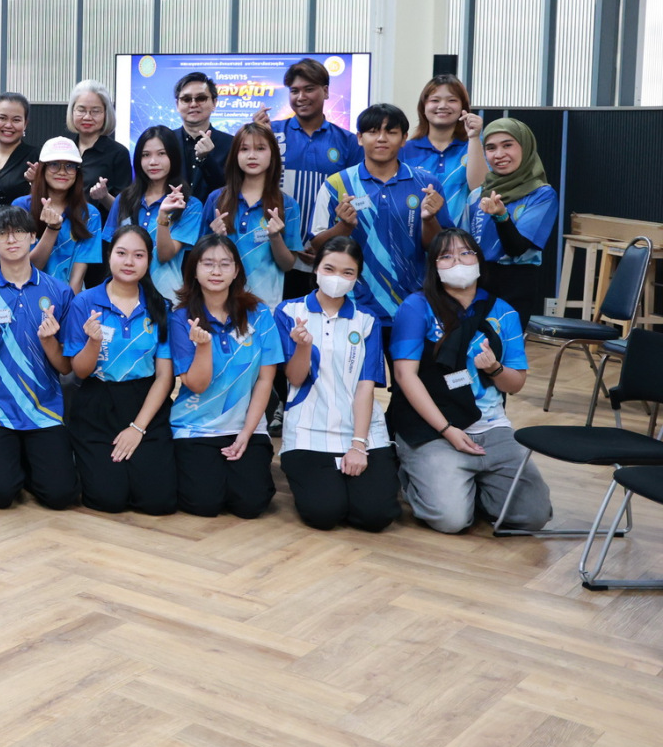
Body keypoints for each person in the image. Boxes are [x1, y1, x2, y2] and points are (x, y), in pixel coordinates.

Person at [389, 228, 551, 534]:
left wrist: (495, 369)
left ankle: (471, 488)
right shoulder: (416, 307)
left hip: (492, 428)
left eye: (465, 253)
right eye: (446, 256)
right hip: (434, 429)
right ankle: (415, 477)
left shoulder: (503, 312)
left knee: (533, 516)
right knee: (450, 520)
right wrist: (447, 430)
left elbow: (515, 384)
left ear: (479, 259)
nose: (458, 261)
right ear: (434, 266)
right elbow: (404, 375)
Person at [274, 237, 400, 532]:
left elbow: (366, 386)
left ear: (357, 277)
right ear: (316, 268)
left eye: (347, 272)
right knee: (324, 513)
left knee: (377, 516)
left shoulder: (367, 319)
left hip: (360, 430)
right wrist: (303, 346)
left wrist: (358, 445)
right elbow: (295, 379)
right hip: (308, 429)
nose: (337, 278)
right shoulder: (288, 312)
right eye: (329, 269)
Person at [0, 206, 78, 510]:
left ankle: (26, 462)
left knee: (61, 495)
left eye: (19, 232)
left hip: (44, 411)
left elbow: (66, 367)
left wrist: (49, 342)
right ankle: (11, 464)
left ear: (33, 236)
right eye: (2, 234)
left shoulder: (60, 292)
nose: (11, 240)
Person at [63, 224, 176, 515]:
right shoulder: (85, 302)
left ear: (148, 260)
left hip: (145, 403)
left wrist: (137, 428)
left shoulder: (160, 306)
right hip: (97, 403)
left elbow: (164, 376)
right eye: (121, 253)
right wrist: (93, 342)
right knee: (107, 499)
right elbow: (80, 372)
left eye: (138, 255)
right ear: (109, 255)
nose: (129, 262)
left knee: (158, 502)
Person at [168, 235, 284, 519]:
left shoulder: (259, 314)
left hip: (245, 426)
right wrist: (203, 347)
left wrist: (246, 433)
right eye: (208, 263)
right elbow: (196, 384)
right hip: (195, 426)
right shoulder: (181, 318)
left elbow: (265, 380)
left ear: (236, 271)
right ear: (194, 270)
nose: (216, 271)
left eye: (224, 264)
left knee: (251, 505)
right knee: (204, 504)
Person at [308, 103, 446, 332]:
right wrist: (344, 227)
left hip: (412, 305)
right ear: (359, 138)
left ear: (404, 139)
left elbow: (438, 249)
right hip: (350, 306)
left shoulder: (427, 185)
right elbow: (316, 246)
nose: (381, 139)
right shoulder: (335, 184)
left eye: (391, 132)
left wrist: (430, 219)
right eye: (373, 132)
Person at [258, 58, 363, 298]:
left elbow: (355, 199)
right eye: (294, 91)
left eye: (309, 89)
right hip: (275, 253)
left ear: (325, 91)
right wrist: (256, 136)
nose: (301, 97)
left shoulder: (347, 141)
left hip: (329, 257)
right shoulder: (271, 133)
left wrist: (325, 243)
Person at [466, 118, 558, 325]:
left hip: (515, 285)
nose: (499, 154)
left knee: (503, 344)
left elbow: (517, 248)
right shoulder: (477, 195)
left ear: (525, 147)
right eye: (491, 148)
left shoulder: (541, 194)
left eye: (507, 145)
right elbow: (464, 242)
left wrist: (502, 216)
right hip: (475, 284)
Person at [204, 123, 301, 307]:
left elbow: (287, 265)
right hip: (219, 304)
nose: (252, 155)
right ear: (235, 155)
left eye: (260, 148)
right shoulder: (216, 199)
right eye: (244, 149)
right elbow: (199, 259)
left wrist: (275, 238)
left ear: (273, 154)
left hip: (265, 305)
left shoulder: (288, 205)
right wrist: (215, 239)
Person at [104, 126, 202, 305]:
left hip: (166, 298)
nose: (153, 162)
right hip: (121, 298)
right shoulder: (124, 199)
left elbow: (165, 255)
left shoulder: (189, 204)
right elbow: (111, 252)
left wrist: (163, 216)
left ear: (173, 156)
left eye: (161, 154)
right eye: (145, 155)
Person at [13, 136, 101, 293]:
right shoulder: (21, 207)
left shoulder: (90, 214)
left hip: (69, 298)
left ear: (77, 172)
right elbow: (26, 269)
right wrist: (52, 229)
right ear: (42, 169)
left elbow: (77, 278)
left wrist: (69, 305)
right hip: (25, 295)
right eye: (54, 164)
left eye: (70, 166)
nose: (62, 172)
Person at [403, 75, 485, 229]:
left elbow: (479, 189)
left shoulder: (475, 146)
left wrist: (474, 137)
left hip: (462, 238)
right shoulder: (405, 150)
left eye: (452, 100)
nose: (442, 106)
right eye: (435, 100)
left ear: (463, 108)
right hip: (417, 236)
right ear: (423, 107)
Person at [66, 79, 130, 217]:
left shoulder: (118, 153)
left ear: (106, 114)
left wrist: (104, 197)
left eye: (95, 111)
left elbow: (125, 210)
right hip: (61, 227)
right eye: (81, 110)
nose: (87, 117)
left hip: (100, 228)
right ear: (72, 111)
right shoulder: (63, 149)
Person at [171, 71, 233, 202]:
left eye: (201, 98)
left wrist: (206, 160)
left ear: (214, 103)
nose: (193, 104)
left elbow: (232, 189)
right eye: (186, 99)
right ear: (177, 105)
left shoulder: (232, 144)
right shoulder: (165, 142)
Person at [0, 92, 40, 216]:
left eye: (16, 120)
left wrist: (36, 182)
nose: (8, 125)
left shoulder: (37, 159)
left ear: (25, 123)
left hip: (22, 227)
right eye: (2, 118)